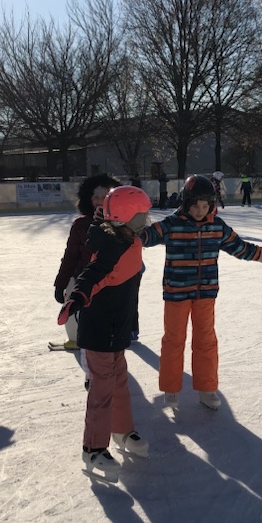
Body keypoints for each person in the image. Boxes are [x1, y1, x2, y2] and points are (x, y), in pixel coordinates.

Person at [141, 175, 262, 411]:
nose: (200, 211)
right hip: (176, 294)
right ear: (185, 203)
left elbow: (241, 248)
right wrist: (122, 228)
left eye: (205, 206)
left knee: (206, 341)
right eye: (195, 206)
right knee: (173, 341)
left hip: (206, 294)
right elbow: (145, 237)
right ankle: (171, 388)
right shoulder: (172, 224)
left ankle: (206, 387)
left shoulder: (217, 226)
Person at [57, 185, 153, 482]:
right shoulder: (113, 246)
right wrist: (76, 297)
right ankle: (93, 448)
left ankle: (122, 429)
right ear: (126, 217)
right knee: (101, 390)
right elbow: (92, 274)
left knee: (120, 382)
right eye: (142, 215)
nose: (147, 220)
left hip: (118, 327)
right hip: (99, 329)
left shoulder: (129, 238)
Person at [53, 174, 120, 352]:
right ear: (88, 199)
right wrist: (61, 283)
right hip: (82, 279)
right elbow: (70, 256)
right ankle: (75, 338)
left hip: (109, 281)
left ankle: (110, 335)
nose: (99, 201)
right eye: (95, 197)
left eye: (104, 197)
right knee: (71, 300)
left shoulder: (120, 224)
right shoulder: (81, 225)